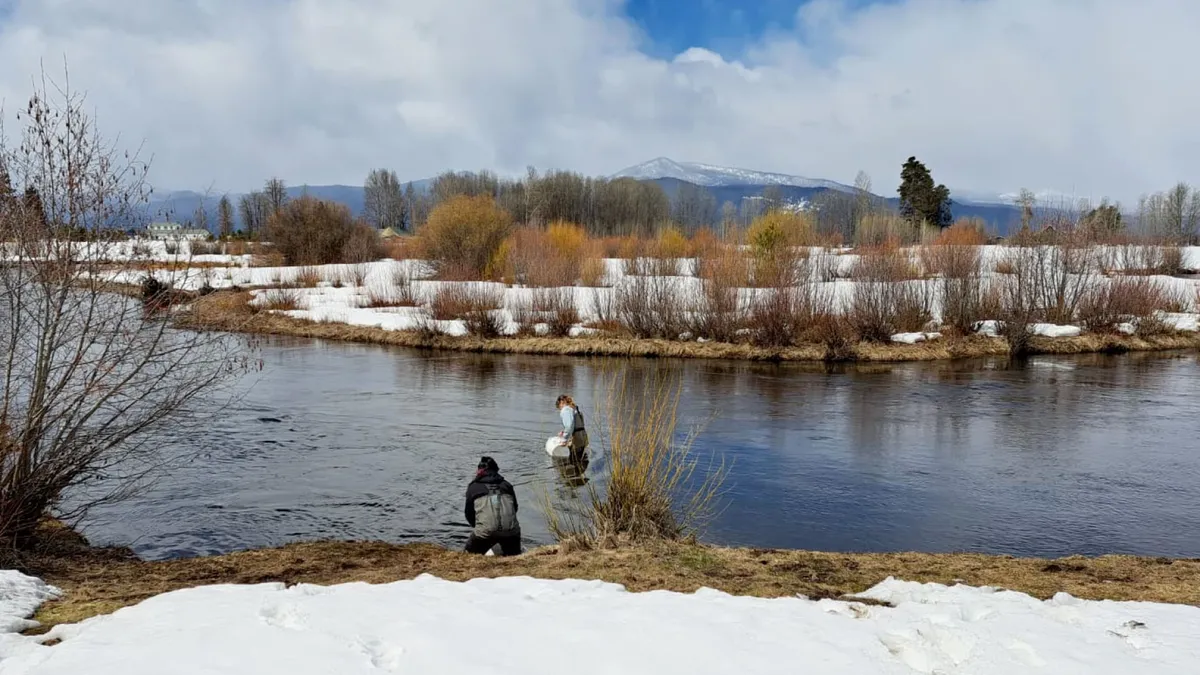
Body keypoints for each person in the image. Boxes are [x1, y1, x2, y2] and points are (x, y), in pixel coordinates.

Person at [463, 456, 522, 556]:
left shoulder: (473, 487)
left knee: (468, 555)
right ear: (496, 470)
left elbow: (469, 514)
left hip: (485, 533)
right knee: (514, 553)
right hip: (511, 533)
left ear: (478, 471)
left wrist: (479, 526)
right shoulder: (507, 485)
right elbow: (514, 508)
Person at [556, 394, 588, 459]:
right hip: (583, 437)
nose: (560, 409)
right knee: (580, 461)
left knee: (573, 461)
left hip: (577, 439)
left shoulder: (566, 410)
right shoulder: (574, 408)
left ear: (561, 403)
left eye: (559, 407)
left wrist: (564, 439)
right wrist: (564, 431)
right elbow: (576, 425)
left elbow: (569, 426)